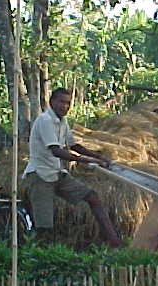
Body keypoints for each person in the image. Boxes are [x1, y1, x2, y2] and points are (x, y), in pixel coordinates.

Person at [22, 87, 122, 247]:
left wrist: (97, 156)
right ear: (52, 101)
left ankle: (114, 242)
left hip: (56, 173)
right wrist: (85, 160)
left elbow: (74, 145)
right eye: (61, 102)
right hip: (40, 175)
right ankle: (38, 259)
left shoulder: (63, 122)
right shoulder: (45, 120)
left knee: (92, 197)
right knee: (44, 227)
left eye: (68, 103)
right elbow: (56, 151)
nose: (65, 106)